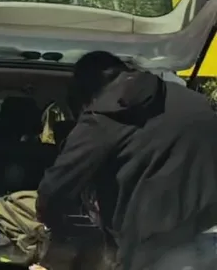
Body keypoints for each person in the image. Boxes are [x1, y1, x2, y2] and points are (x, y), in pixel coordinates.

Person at [36, 51, 217, 270]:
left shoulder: (103, 117)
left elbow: (56, 189)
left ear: (85, 95)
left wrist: (53, 226)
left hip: (162, 248)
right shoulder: (191, 100)